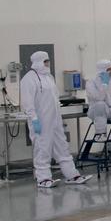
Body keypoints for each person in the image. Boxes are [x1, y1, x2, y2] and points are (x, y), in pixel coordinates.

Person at [20, 51, 90, 189]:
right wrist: (34, 119)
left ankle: (72, 175)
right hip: (40, 121)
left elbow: (55, 98)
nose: (48, 64)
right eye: (45, 62)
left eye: (48, 61)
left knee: (62, 147)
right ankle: (43, 178)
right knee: (43, 148)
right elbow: (27, 102)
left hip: (55, 120)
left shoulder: (49, 77)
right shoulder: (29, 79)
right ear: (38, 62)